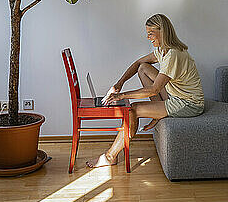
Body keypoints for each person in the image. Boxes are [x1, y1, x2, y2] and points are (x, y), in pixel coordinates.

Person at [86, 13, 205, 168]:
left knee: (132, 110)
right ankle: (156, 112)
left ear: (162, 32)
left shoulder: (173, 54)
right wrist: (119, 84)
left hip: (189, 103)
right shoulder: (163, 50)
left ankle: (110, 157)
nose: (148, 37)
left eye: (151, 33)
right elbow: (138, 63)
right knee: (143, 68)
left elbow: (154, 89)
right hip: (176, 95)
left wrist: (121, 95)